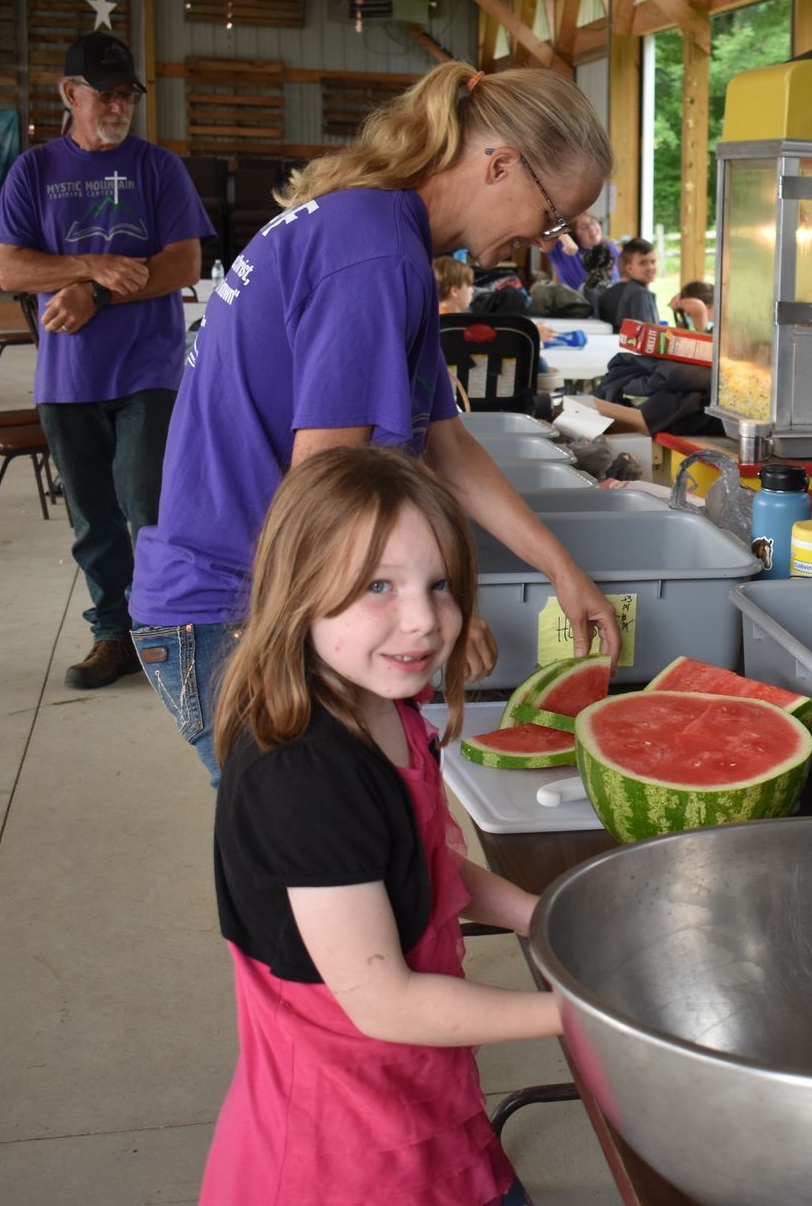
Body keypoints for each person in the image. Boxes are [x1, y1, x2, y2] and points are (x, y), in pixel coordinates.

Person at [131, 61, 621, 784]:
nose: (543, 241)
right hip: (237, 606)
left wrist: (562, 569)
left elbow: (446, 443)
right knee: (322, 859)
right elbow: (325, 484)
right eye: (549, 216)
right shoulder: (377, 255)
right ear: (501, 165)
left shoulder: (383, 234)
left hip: (259, 592)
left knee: (364, 839)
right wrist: (427, 609)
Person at [200, 447, 556, 1206]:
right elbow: (385, 1002)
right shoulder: (307, 779)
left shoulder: (385, 707)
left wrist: (546, 917)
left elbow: (425, 865)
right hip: (346, 1152)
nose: (423, 621)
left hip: (421, 1093)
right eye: (377, 587)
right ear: (298, 594)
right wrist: (587, 1018)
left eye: (440, 587)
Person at [0, 31, 214, 689]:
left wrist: (93, 293)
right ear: (69, 94)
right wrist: (90, 266)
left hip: (149, 369)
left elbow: (183, 262)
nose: (117, 108)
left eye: (125, 96)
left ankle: (164, 631)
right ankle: (113, 634)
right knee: (92, 518)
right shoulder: (34, 171)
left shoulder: (158, 168)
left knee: (148, 505)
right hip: (68, 378)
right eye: (104, 95)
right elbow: (11, 268)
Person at [594, 237, 660, 327]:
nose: (650, 267)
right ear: (629, 268)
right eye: (643, 263)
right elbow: (648, 336)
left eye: (653, 262)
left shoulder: (610, 293)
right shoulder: (640, 293)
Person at [546, 209, 615, 292]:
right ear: (574, 234)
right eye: (584, 227)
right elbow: (540, 233)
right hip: (579, 302)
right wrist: (564, 236)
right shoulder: (563, 250)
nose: (592, 229)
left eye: (593, 221)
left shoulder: (610, 247)